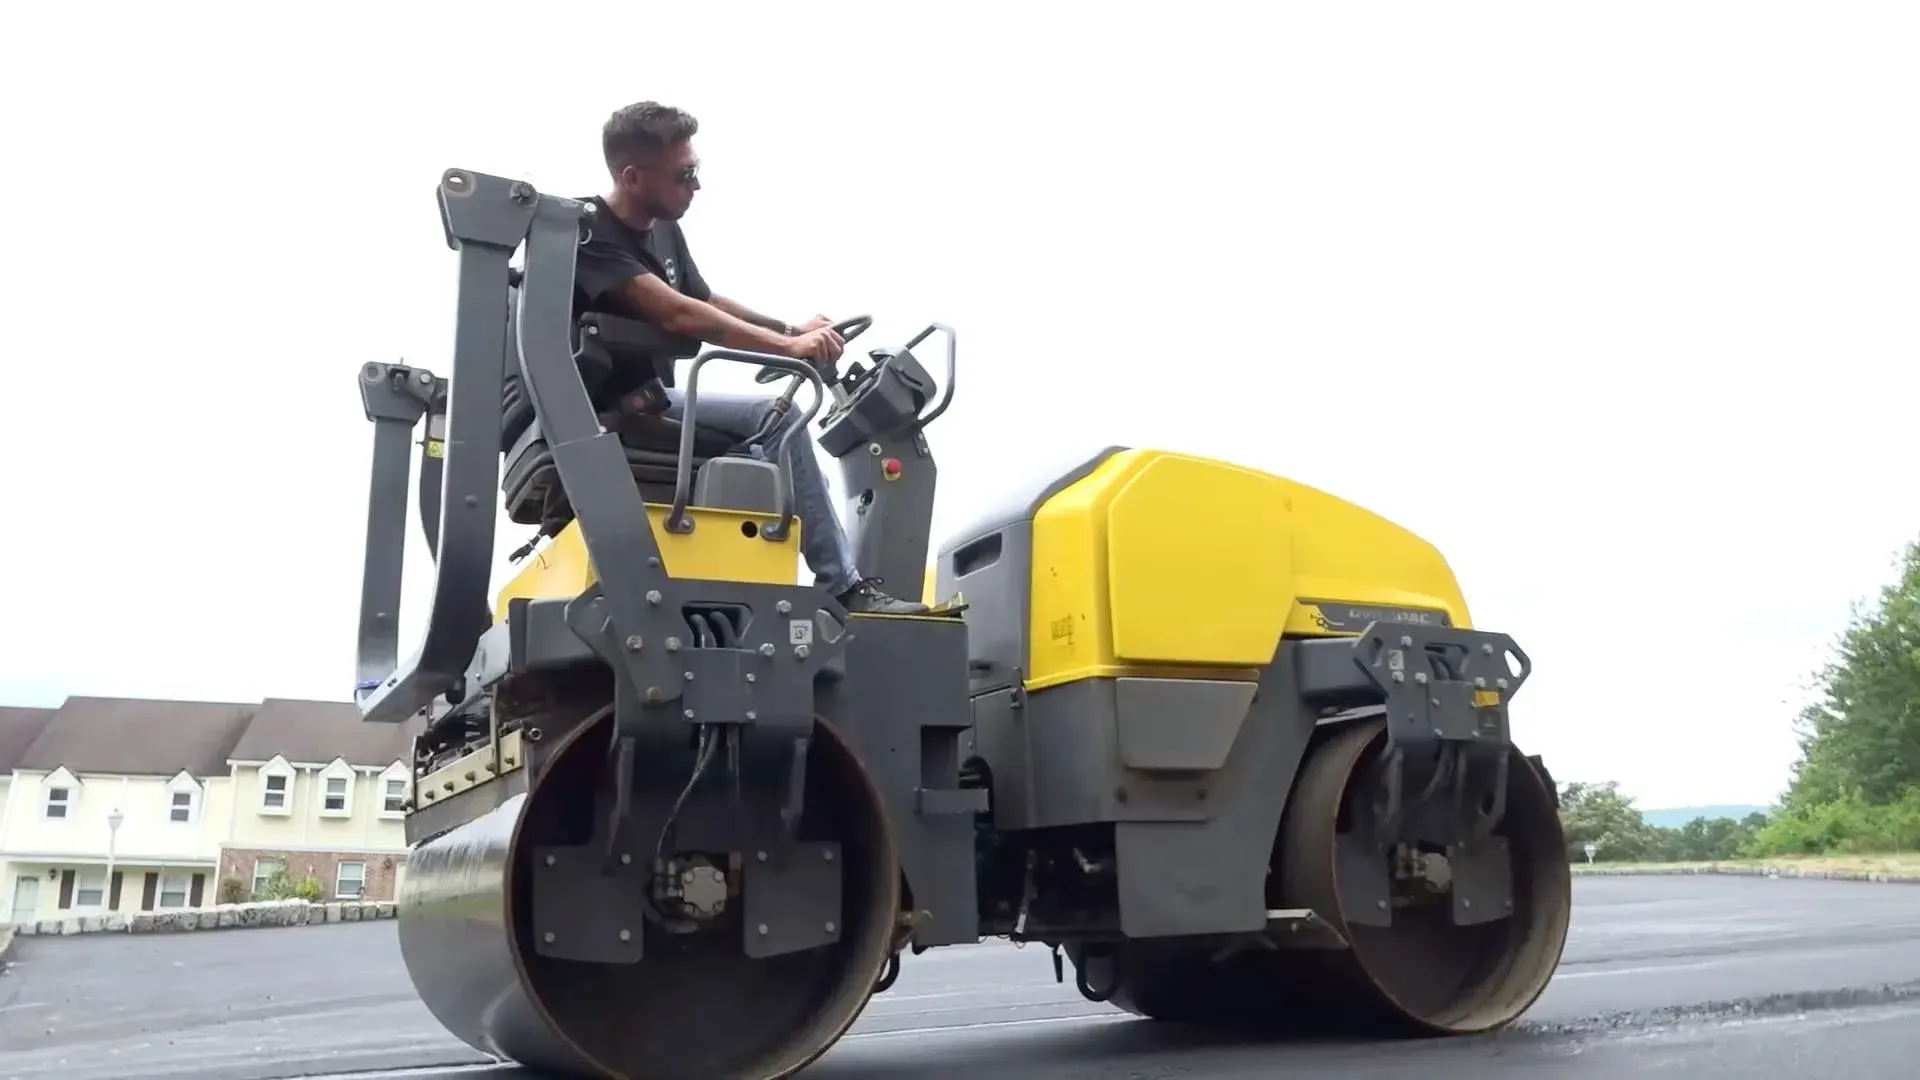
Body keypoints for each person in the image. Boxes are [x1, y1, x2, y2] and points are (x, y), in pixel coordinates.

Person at [571, 100, 928, 616]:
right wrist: (788, 350)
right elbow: (678, 313)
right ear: (632, 177)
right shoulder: (589, 235)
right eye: (684, 174)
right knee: (777, 420)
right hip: (617, 410)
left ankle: (772, 573)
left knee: (776, 455)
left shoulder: (663, 230)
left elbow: (705, 300)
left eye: (696, 169)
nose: (696, 185)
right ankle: (842, 586)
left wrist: (791, 329)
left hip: (658, 401)